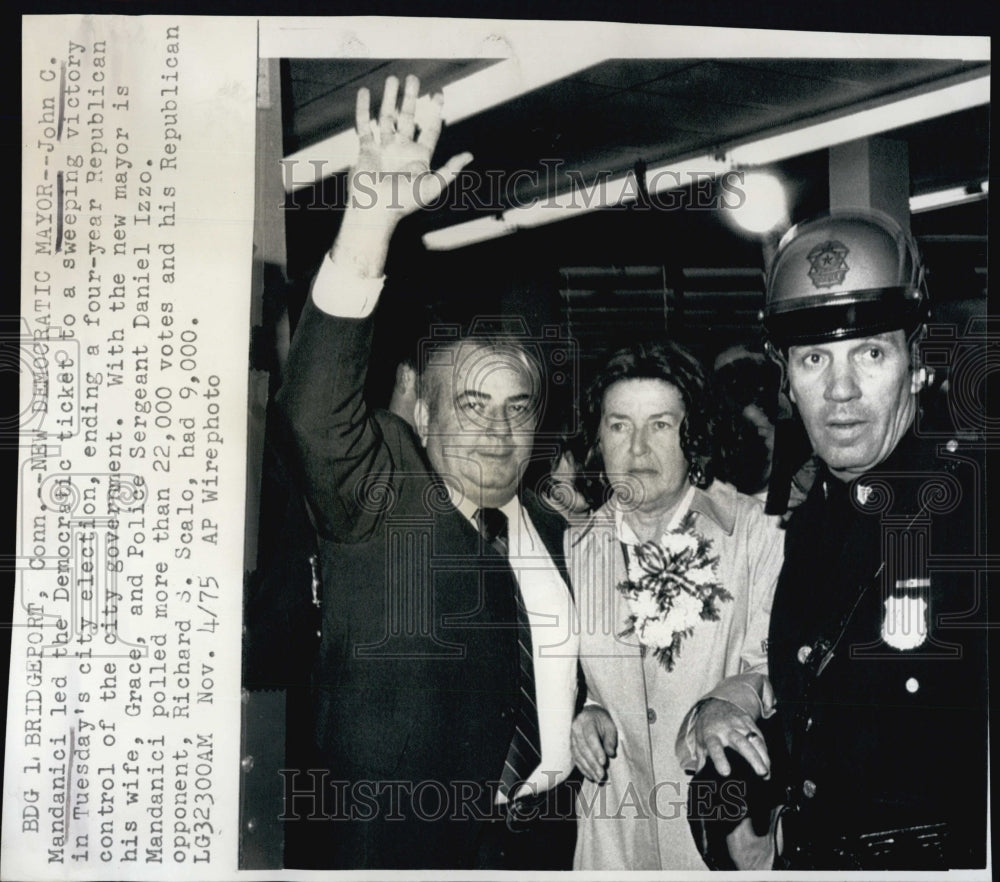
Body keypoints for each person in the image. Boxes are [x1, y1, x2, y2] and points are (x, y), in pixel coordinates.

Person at [276, 74, 578, 869]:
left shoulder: (558, 529)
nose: (496, 428)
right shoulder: (381, 499)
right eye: (471, 405)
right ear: (424, 411)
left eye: (517, 408)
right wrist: (370, 216)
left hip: (544, 843)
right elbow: (313, 409)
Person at [690, 209, 988, 870]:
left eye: (871, 353)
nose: (841, 390)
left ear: (917, 363)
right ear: (787, 380)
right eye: (815, 358)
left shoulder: (972, 515)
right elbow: (831, 711)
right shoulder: (811, 517)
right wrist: (738, 741)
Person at [566, 340, 784, 870]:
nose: (637, 450)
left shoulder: (759, 534)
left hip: (721, 847)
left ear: (695, 433)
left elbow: (776, 667)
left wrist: (726, 701)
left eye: (660, 425)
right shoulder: (573, 549)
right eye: (619, 425)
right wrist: (585, 713)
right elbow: (575, 682)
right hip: (613, 850)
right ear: (598, 436)